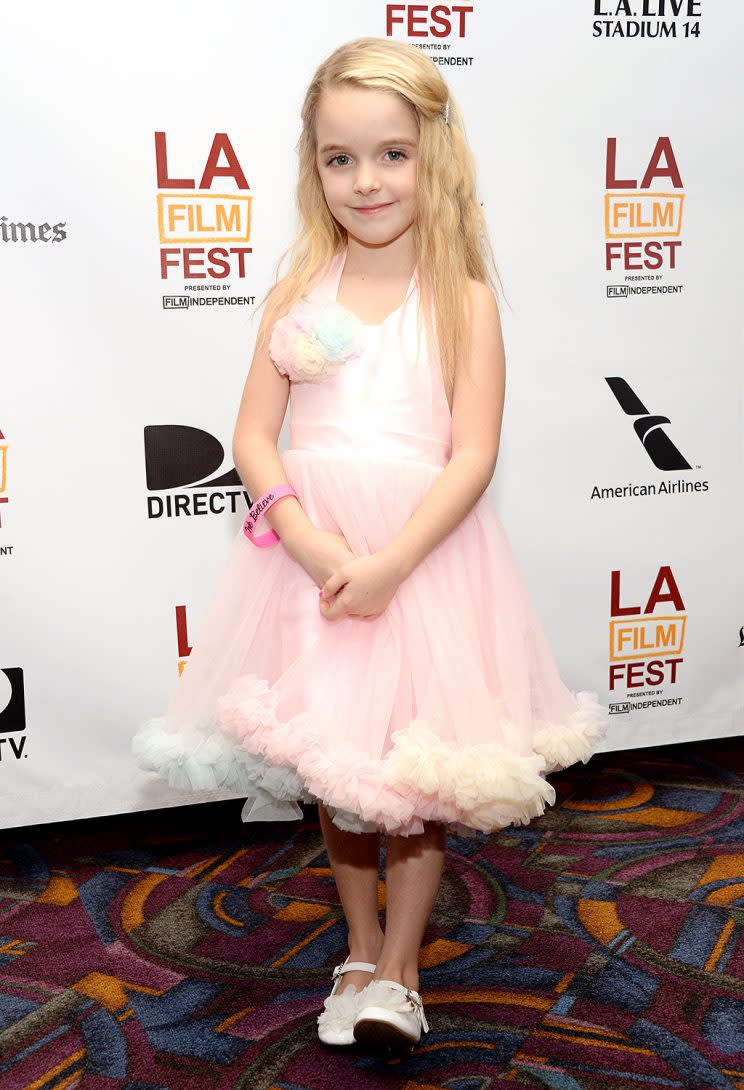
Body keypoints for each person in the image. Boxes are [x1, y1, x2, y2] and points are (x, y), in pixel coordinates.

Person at [132, 36, 608, 1053]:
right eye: (339, 158)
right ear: (315, 167)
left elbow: (472, 454)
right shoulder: (296, 291)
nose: (366, 179)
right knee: (338, 765)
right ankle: (355, 950)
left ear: (433, 155)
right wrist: (306, 536)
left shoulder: (464, 299)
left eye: (390, 153)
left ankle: (399, 970)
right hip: (316, 563)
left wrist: (392, 562)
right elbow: (253, 437)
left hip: (424, 562)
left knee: (418, 774)